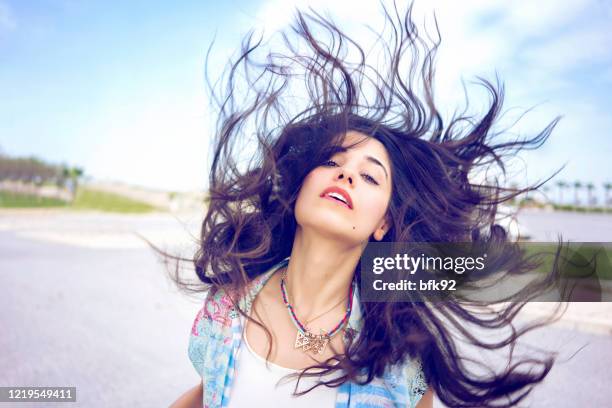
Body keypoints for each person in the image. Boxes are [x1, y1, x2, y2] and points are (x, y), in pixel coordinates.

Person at [167, 2, 565, 407]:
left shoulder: (400, 359)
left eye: (371, 175)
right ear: (300, 188)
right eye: (331, 161)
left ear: (383, 223)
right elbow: (203, 396)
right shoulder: (227, 307)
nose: (347, 175)